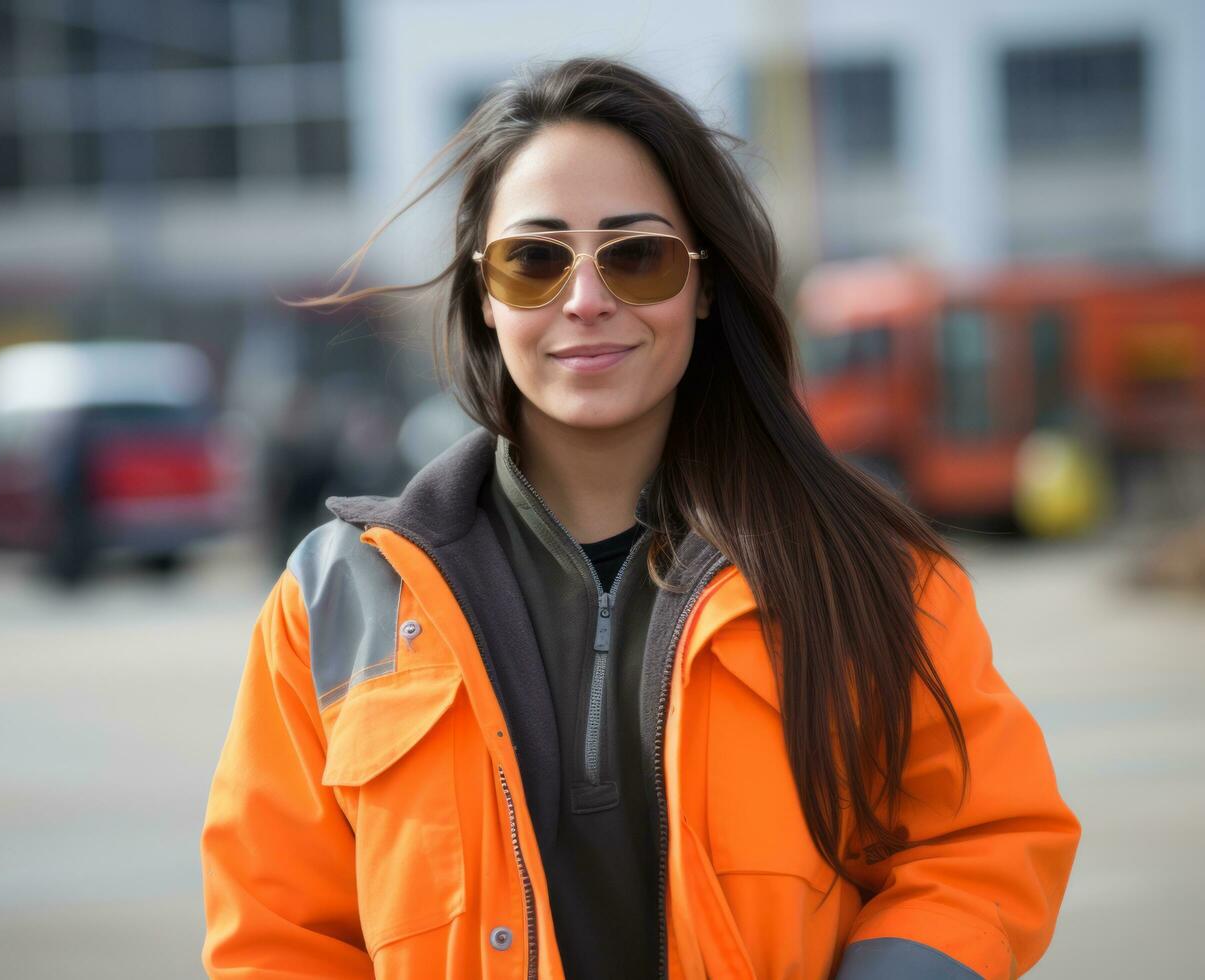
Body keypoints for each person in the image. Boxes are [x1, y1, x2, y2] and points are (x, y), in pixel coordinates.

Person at [201, 57, 1079, 979]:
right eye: (534, 260)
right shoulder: (336, 599)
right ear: (484, 296)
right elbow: (277, 937)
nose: (586, 299)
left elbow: (984, 841)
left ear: (703, 285)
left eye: (637, 255)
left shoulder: (871, 571)